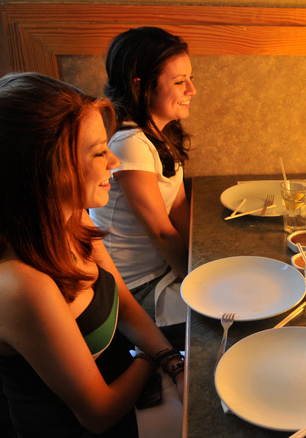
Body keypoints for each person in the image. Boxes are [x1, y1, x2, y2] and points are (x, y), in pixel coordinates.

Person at [0, 72, 183, 438]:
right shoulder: (19, 285)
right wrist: (150, 361)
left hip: (131, 386)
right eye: (99, 152)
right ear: (43, 170)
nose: (114, 163)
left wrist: (172, 361)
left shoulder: (71, 221)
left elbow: (124, 302)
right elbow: (98, 413)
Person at [90, 27, 195, 347]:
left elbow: (177, 207)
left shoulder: (160, 131)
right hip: (135, 289)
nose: (192, 89)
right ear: (140, 84)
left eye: (190, 78)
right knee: (227, 316)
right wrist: (200, 284)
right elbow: (161, 232)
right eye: (179, 82)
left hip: (163, 271)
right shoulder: (129, 143)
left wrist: (207, 258)